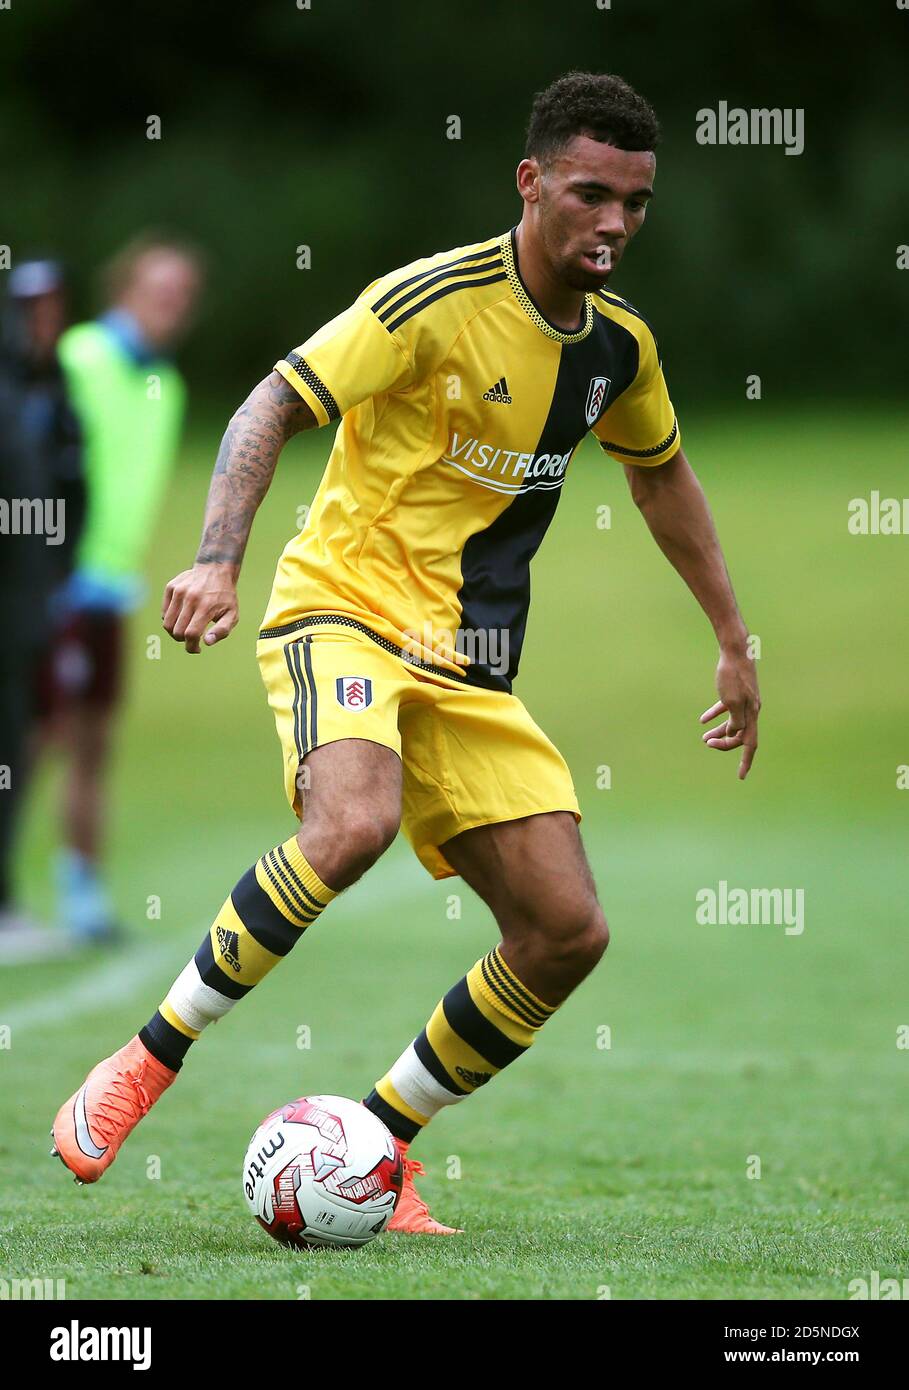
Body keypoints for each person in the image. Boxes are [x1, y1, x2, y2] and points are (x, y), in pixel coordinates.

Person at [52, 74, 760, 1232]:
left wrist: (734, 639)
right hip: (345, 608)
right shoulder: (431, 302)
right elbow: (268, 404)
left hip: (471, 665)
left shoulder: (619, 352)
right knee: (350, 823)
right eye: (590, 193)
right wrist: (217, 559)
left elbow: (662, 474)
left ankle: (380, 1142)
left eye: (635, 202)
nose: (615, 223)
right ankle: (145, 1060)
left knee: (566, 930)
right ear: (530, 184)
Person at [50, 238, 202, 942]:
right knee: (29, 738)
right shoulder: (79, 357)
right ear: (125, 290)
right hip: (51, 584)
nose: (171, 306)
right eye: (159, 289)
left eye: (182, 295)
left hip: (109, 590)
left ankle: (79, 892)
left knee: (92, 744)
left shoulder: (165, 386)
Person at [0, 259, 84, 962]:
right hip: (16, 601)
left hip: (36, 602)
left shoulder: (55, 387)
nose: (42, 317)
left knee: (29, 736)